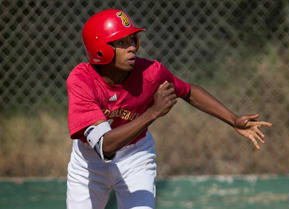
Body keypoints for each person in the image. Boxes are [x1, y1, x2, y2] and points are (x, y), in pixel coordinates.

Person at [66, 9, 272, 209]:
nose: (132, 47)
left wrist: (233, 119)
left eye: (132, 40)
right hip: (89, 164)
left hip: (135, 156)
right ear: (100, 49)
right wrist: (153, 113)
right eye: (122, 43)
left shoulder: (150, 72)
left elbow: (188, 91)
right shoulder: (82, 81)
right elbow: (105, 146)